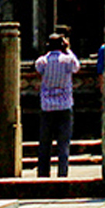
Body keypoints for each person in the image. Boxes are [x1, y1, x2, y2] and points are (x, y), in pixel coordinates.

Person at [35, 33, 80, 178]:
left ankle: (43, 172)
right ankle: (62, 172)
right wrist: (68, 49)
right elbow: (76, 66)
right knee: (63, 143)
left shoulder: (42, 61)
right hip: (64, 105)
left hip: (47, 106)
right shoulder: (67, 60)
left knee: (45, 142)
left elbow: (38, 70)